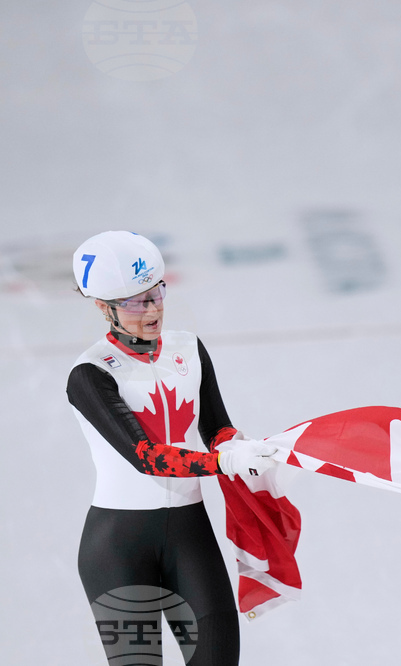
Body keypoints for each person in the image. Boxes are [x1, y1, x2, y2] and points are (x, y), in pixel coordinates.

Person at [67, 231, 279, 666]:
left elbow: (216, 429)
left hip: (189, 534)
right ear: (102, 308)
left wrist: (242, 448)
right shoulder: (90, 375)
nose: (152, 309)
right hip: (118, 548)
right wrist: (222, 461)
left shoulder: (189, 349)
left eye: (156, 293)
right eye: (134, 302)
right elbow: (146, 457)